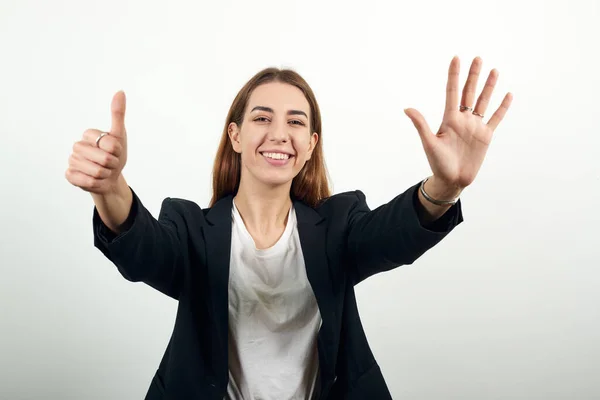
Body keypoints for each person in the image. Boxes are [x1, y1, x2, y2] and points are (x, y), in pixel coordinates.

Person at [65, 56, 512, 399]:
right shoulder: (189, 229)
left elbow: (393, 233)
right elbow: (146, 249)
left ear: (310, 144)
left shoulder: (338, 225)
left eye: (296, 122)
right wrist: (110, 187)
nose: (280, 133)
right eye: (262, 118)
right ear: (236, 137)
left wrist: (445, 186)